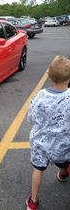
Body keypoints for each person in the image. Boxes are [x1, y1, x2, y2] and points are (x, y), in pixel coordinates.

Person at [26, 55, 70, 210]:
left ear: (50, 76)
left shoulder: (41, 96)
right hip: (63, 143)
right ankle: (63, 174)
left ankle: (33, 201)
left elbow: (31, 116)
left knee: (38, 170)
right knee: (63, 160)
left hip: (42, 143)